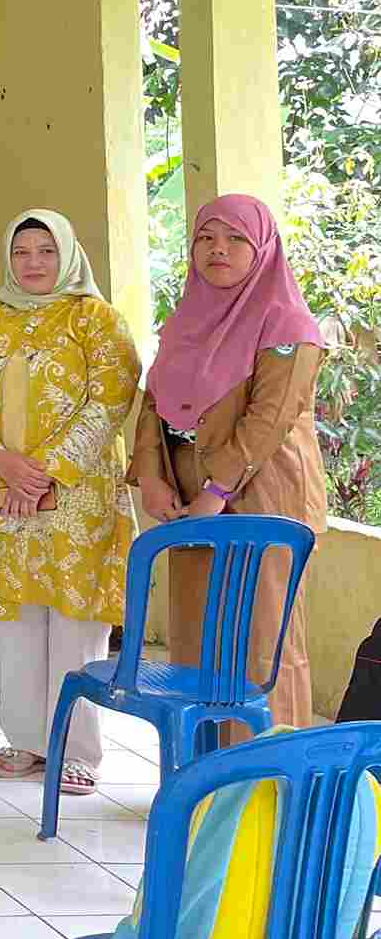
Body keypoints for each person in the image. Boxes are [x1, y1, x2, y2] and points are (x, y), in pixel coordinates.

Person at [0, 209, 141, 792]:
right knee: (18, 622)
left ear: (68, 255)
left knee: (76, 624)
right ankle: (27, 740)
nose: (33, 263)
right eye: (22, 252)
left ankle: (78, 749)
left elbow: (110, 401)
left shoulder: (96, 319)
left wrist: (47, 472)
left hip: (76, 496)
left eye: (46, 251)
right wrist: (2, 463)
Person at [131, 194, 329, 734]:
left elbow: (270, 419)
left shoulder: (288, 324)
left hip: (263, 503)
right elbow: (154, 400)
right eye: (206, 237)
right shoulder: (187, 320)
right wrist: (151, 475)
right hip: (187, 504)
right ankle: (203, 777)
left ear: (262, 247)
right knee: (197, 648)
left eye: (236, 238)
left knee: (262, 647)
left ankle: (266, 778)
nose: (217, 249)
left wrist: (215, 494)